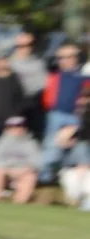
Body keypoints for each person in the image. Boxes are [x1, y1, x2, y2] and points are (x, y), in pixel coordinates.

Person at [39, 41, 82, 183]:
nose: (65, 60)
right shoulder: (54, 74)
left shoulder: (83, 75)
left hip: (76, 116)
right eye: (62, 57)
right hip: (56, 114)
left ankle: (64, 177)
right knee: (52, 145)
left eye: (70, 57)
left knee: (74, 148)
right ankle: (44, 177)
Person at [0, 117, 40, 204]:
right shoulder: (1, 142)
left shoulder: (31, 143)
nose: (17, 129)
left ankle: (19, 203)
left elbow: (36, 162)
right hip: (5, 170)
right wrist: (7, 169)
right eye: (13, 127)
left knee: (30, 177)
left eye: (20, 126)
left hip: (23, 171)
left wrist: (23, 170)